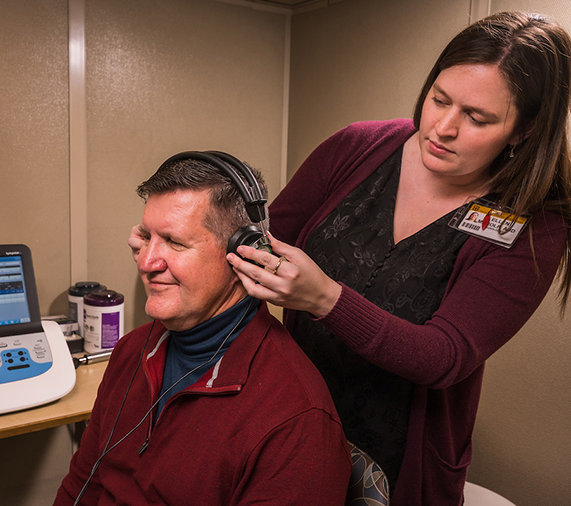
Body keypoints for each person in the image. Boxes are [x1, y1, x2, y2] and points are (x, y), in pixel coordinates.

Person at [222, 11, 571, 506]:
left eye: (476, 118)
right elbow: (260, 241)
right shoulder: (357, 147)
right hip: (294, 418)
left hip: (403, 459)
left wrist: (325, 299)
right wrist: (182, 243)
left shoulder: (534, 223)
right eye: (439, 99)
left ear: (523, 131)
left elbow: (444, 357)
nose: (442, 127)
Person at [54, 153, 352, 506]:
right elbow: (81, 487)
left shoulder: (296, 422)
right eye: (147, 237)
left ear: (245, 253)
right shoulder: (132, 350)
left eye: (175, 242)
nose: (146, 262)